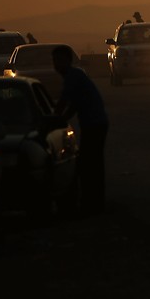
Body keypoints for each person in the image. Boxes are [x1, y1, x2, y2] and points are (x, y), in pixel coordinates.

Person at [52, 44, 109, 215]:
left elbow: (64, 102)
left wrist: (54, 119)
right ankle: (94, 202)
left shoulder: (73, 76)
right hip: (94, 123)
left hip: (95, 124)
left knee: (89, 164)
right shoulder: (74, 76)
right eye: (55, 61)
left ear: (68, 61)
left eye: (59, 60)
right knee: (91, 163)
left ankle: (92, 204)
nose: (56, 65)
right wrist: (60, 119)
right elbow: (73, 106)